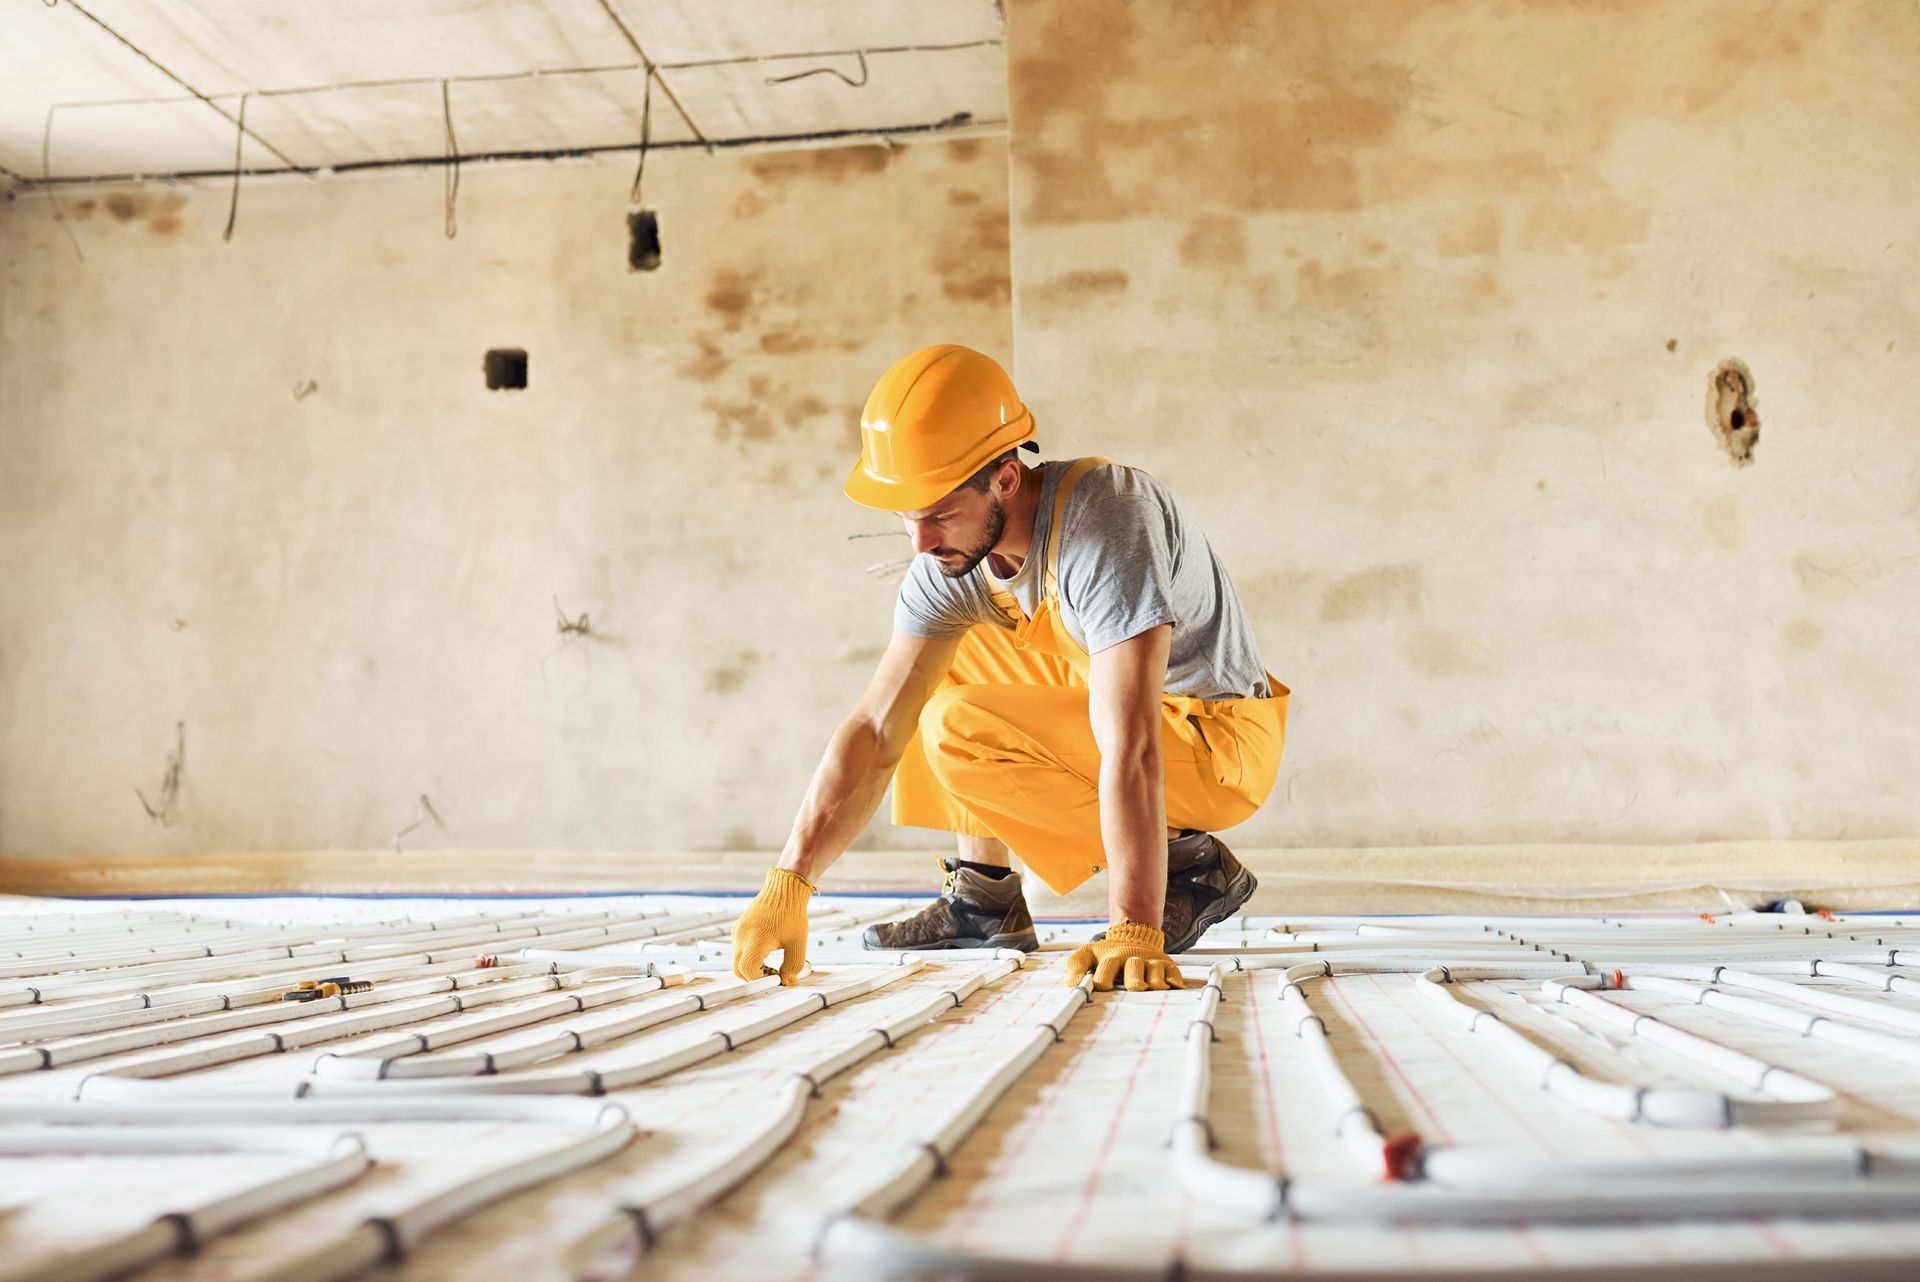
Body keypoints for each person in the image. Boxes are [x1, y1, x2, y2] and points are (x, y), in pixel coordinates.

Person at [730, 345, 1288, 993]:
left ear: (1004, 478)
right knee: (931, 670)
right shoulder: (952, 560)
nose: (921, 542)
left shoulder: (1104, 523)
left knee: (957, 724)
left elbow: (1129, 741)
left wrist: (1135, 925)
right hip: (1141, 732)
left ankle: (1190, 867)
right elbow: (877, 728)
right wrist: (789, 883)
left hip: (1217, 744)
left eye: (939, 514)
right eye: (908, 517)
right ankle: (985, 899)